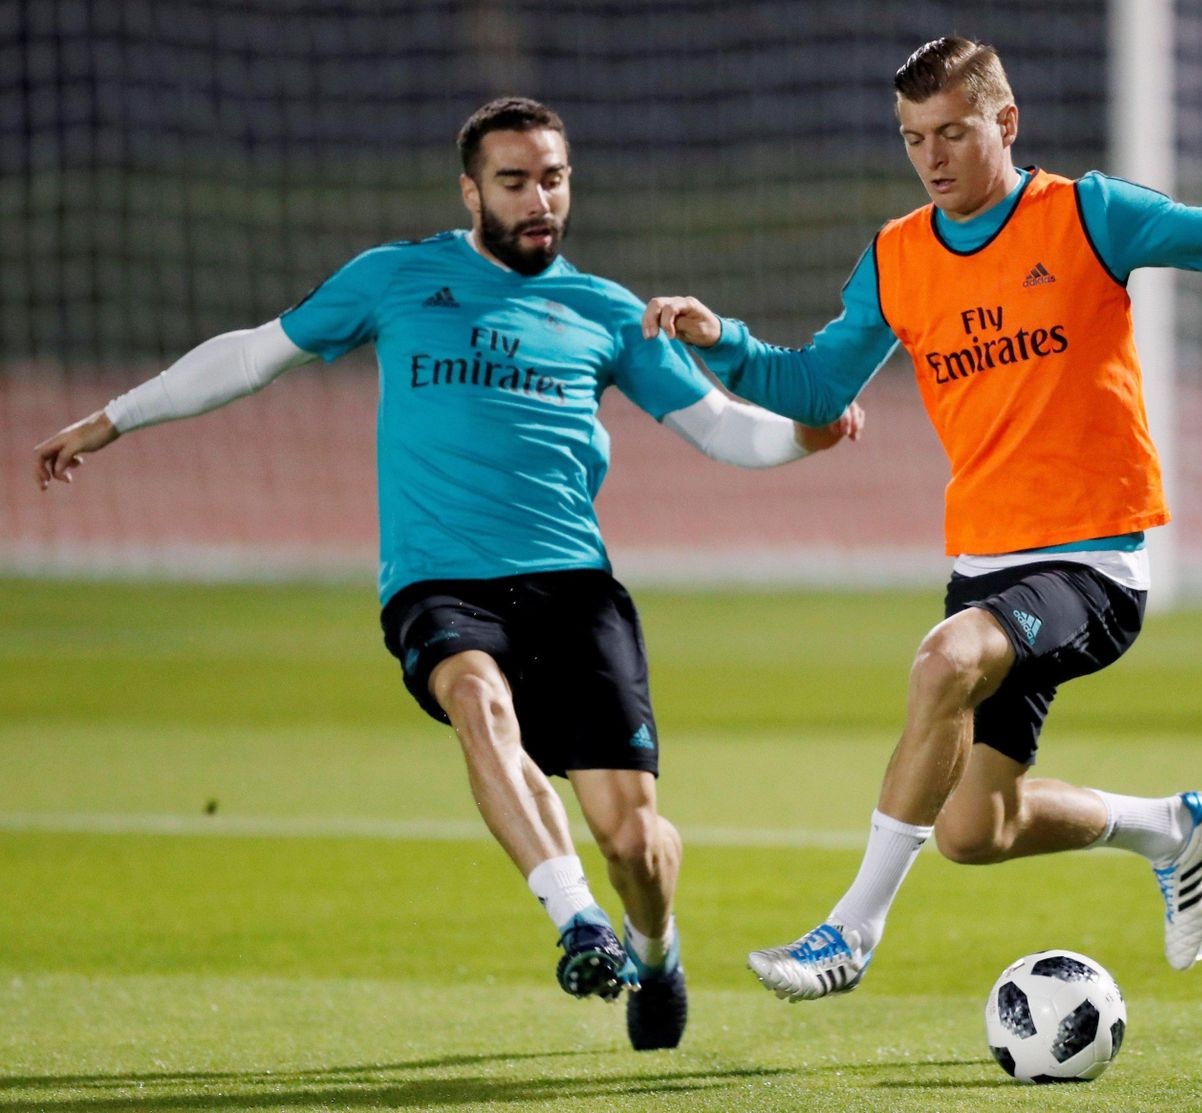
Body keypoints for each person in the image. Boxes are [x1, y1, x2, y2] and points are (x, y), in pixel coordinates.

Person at [32, 96, 863, 1048]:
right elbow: (252, 357)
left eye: (552, 177)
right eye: (513, 181)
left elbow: (720, 429)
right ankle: (575, 919)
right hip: (439, 578)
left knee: (635, 841)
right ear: (472, 190)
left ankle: (653, 944)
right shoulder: (396, 278)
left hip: (573, 586)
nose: (537, 198)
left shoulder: (606, 312)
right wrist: (112, 417)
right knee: (478, 700)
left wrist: (809, 434)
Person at [641, 36, 1202, 1001]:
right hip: (985, 567)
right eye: (913, 137)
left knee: (944, 660)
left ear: (1004, 124)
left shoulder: (1088, 214)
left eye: (952, 132)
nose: (931, 156)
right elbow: (814, 384)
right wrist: (726, 339)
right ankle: (1171, 828)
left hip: (1094, 565)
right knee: (974, 829)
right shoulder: (896, 256)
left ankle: (851, 929)